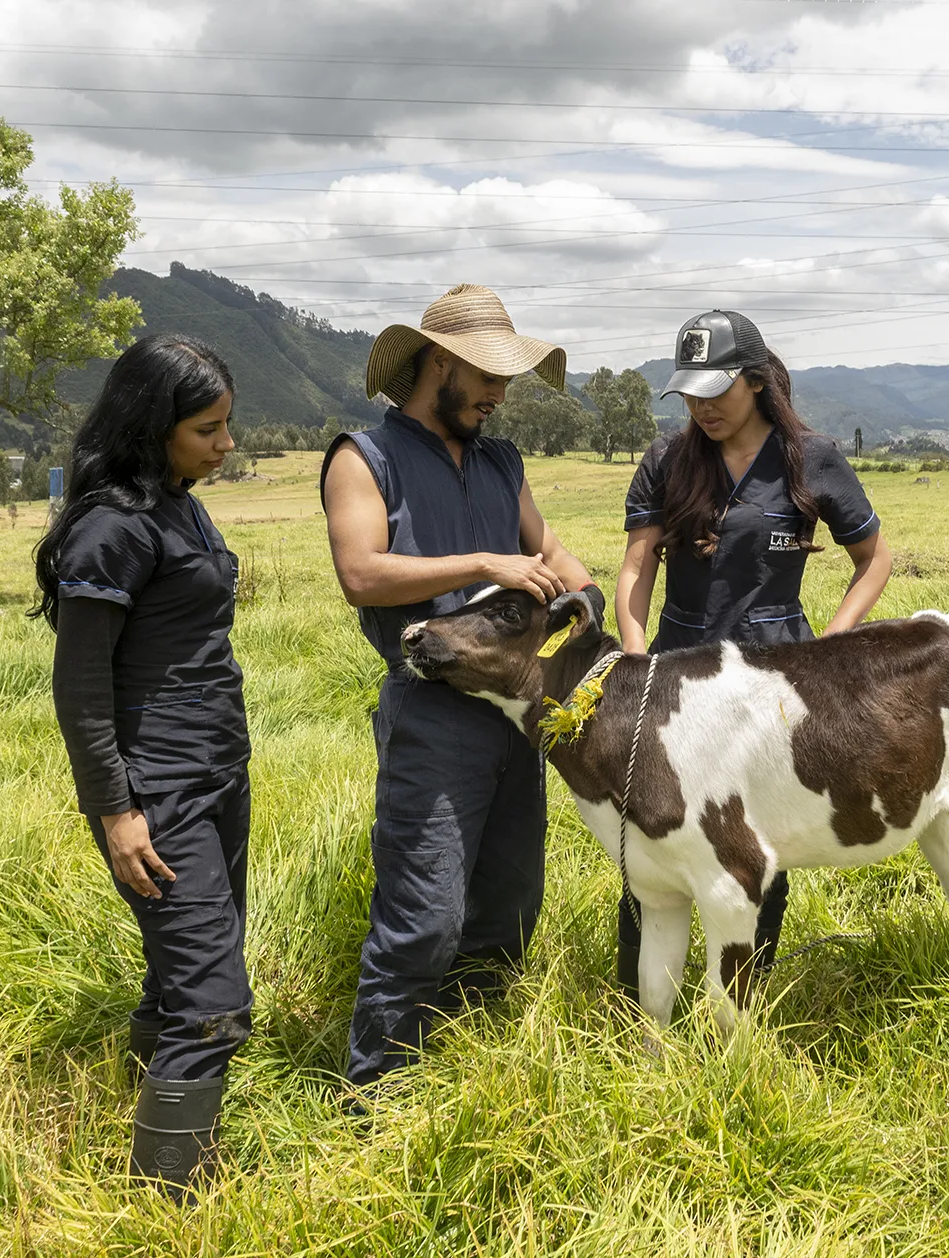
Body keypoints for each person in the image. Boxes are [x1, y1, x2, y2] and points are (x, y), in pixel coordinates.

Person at [321, 284, 598, 1090]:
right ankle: (377, 1096)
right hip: (434, 713)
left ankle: (470, 1067)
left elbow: (557, 556)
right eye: (487, 377)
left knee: (509, 907)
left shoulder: (500, 462)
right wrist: (485, 563)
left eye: (508, 380)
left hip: (519, 715)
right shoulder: (362, 458)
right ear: (437, 362)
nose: (500, 396)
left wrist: (579, 594)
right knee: (424, 918)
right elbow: (362, 572)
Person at [614, 309, 892, 993]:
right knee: (656, 840)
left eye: (718, 392)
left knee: (758, 848)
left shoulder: (812, 458)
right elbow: (636, 567)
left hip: (775, 685)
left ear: (757, 381)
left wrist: (832, 645)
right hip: (679, 684)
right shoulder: (667, 461)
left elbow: (875, 559)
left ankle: (742, 994)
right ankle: (640, 998)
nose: (701, 408)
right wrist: (633, 657)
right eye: (690, 395)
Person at [33, 334, 251, 1198]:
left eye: (228, 425)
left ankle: (142, 1140)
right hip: (156, 794)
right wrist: (117, 812)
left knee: (179, 978)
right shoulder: (111, 528)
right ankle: (171, 1200)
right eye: (208, 429)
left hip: (218, 774)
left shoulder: (180, 504)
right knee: (212, 1001)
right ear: (152, 424)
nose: (225, 445)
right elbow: (81, 687)